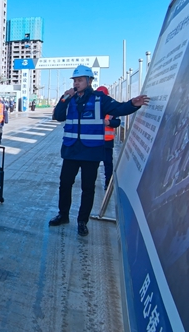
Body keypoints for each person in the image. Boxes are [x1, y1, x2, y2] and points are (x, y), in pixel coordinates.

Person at [50, 65, 149, 236]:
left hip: (91, 152)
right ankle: (63, 215)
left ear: (89, 81)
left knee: (88, 188)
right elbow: (58, 116)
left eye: (80, 80)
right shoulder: (70, 98)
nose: (76, 83)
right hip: (71, 150)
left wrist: (133, 104)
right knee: (65, 184)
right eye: (75, 80)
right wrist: (64, 98)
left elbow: (118, 109)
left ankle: (82, 221)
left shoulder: (99, 99)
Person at [95, 86, 121, 190]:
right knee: (93, 164)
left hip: (107, 142)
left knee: (108, 164)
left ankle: (108, 183)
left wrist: (108, 122)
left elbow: (117, 122)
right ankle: (90, 182)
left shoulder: (111, 109)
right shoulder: (93, 108)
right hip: (95, 141)